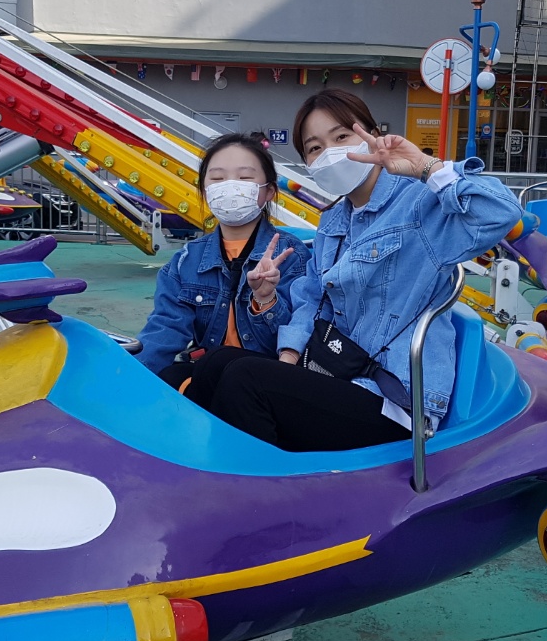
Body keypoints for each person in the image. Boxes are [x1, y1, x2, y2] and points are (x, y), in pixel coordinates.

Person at [198, 89, 523, 451]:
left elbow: (501, 213)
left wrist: (426, 167)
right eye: (315, 147)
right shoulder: (333, 221)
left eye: (341, 137)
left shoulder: (419, 204)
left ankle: (261, 482)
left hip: (394, 397)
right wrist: (289, 357)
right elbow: (312, 299)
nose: (330, 153)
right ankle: (208, 469)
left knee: (245, 379)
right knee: (217, 362)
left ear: (372, 135)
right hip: (339, 374)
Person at [137, 134, 307, 397]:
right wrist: (132, 378)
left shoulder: (291, 255)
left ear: (269, 191)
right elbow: (165, 329)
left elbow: (294, 337)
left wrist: (266, 301)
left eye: (244, 177)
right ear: (205, 191)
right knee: (171, 377)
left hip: (264, 381)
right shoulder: (185, 261)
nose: (230, 186)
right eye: (217, 179)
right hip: (210, 374)